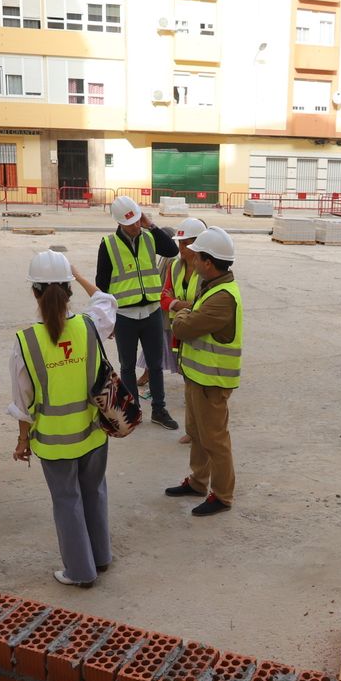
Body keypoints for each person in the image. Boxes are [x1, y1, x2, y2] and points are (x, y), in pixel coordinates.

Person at [9, 251, 118, 587]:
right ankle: (100, 558)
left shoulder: (26, 342)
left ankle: (80, 571)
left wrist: (22, 440)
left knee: (67, 502)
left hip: (54, 443)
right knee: (94, 493)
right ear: (69, 291)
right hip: (93, 433)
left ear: (34, 292)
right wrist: (78, 273)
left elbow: (21, 402)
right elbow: (105, 300)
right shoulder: (90, 326)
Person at [164, 227, 242, 517]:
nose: (192, 261)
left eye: (197, 257)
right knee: (197, 433)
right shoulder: (209, 287)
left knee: (215, 440)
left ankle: (222, 495)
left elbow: (182, 326)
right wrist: (187, 311)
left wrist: (180, 312)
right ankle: (198, 482)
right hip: (197, 376)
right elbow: (188, 317)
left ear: (209, 262)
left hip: (213, 382)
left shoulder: (222, 297)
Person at [96, 196, 179, 430]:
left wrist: (150, 224)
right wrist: (108, 319)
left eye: (136, 220)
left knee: (155, 364)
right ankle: (132, 411)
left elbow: (172, 249)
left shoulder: (150, 236)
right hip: (125, 317)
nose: (134, 226)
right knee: (127, 366)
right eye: (130, 223)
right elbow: (101, 285)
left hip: (151, 312)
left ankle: (159, 410)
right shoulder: (109, 245)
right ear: (119, 222)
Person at [163, 218, 208, 446]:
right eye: (179, 243)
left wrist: (177, 303)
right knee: (188, 383)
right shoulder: (174, 266)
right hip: (179, 332)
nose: (179, 248)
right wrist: (183, 305)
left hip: (199, 334)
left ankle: (200, 431)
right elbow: (164, 298)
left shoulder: (209, 269)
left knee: (199, 388)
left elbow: (206, 306)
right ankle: (193, 431)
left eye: (184, 243)